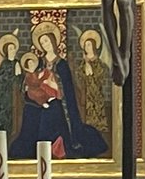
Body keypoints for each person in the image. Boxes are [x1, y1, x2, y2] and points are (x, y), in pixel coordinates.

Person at [10, 22, 108, 160]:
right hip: (38, 100)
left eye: (46, 41)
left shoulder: (62, 64)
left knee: (51, 111)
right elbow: (30, 79)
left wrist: (54, 86)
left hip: (58, 101)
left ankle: (52, 146)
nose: (45, 44)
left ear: (53, 41)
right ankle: (33, 146)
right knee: (30, 110)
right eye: (42, 42)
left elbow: (67, 88)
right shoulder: (39, 62)